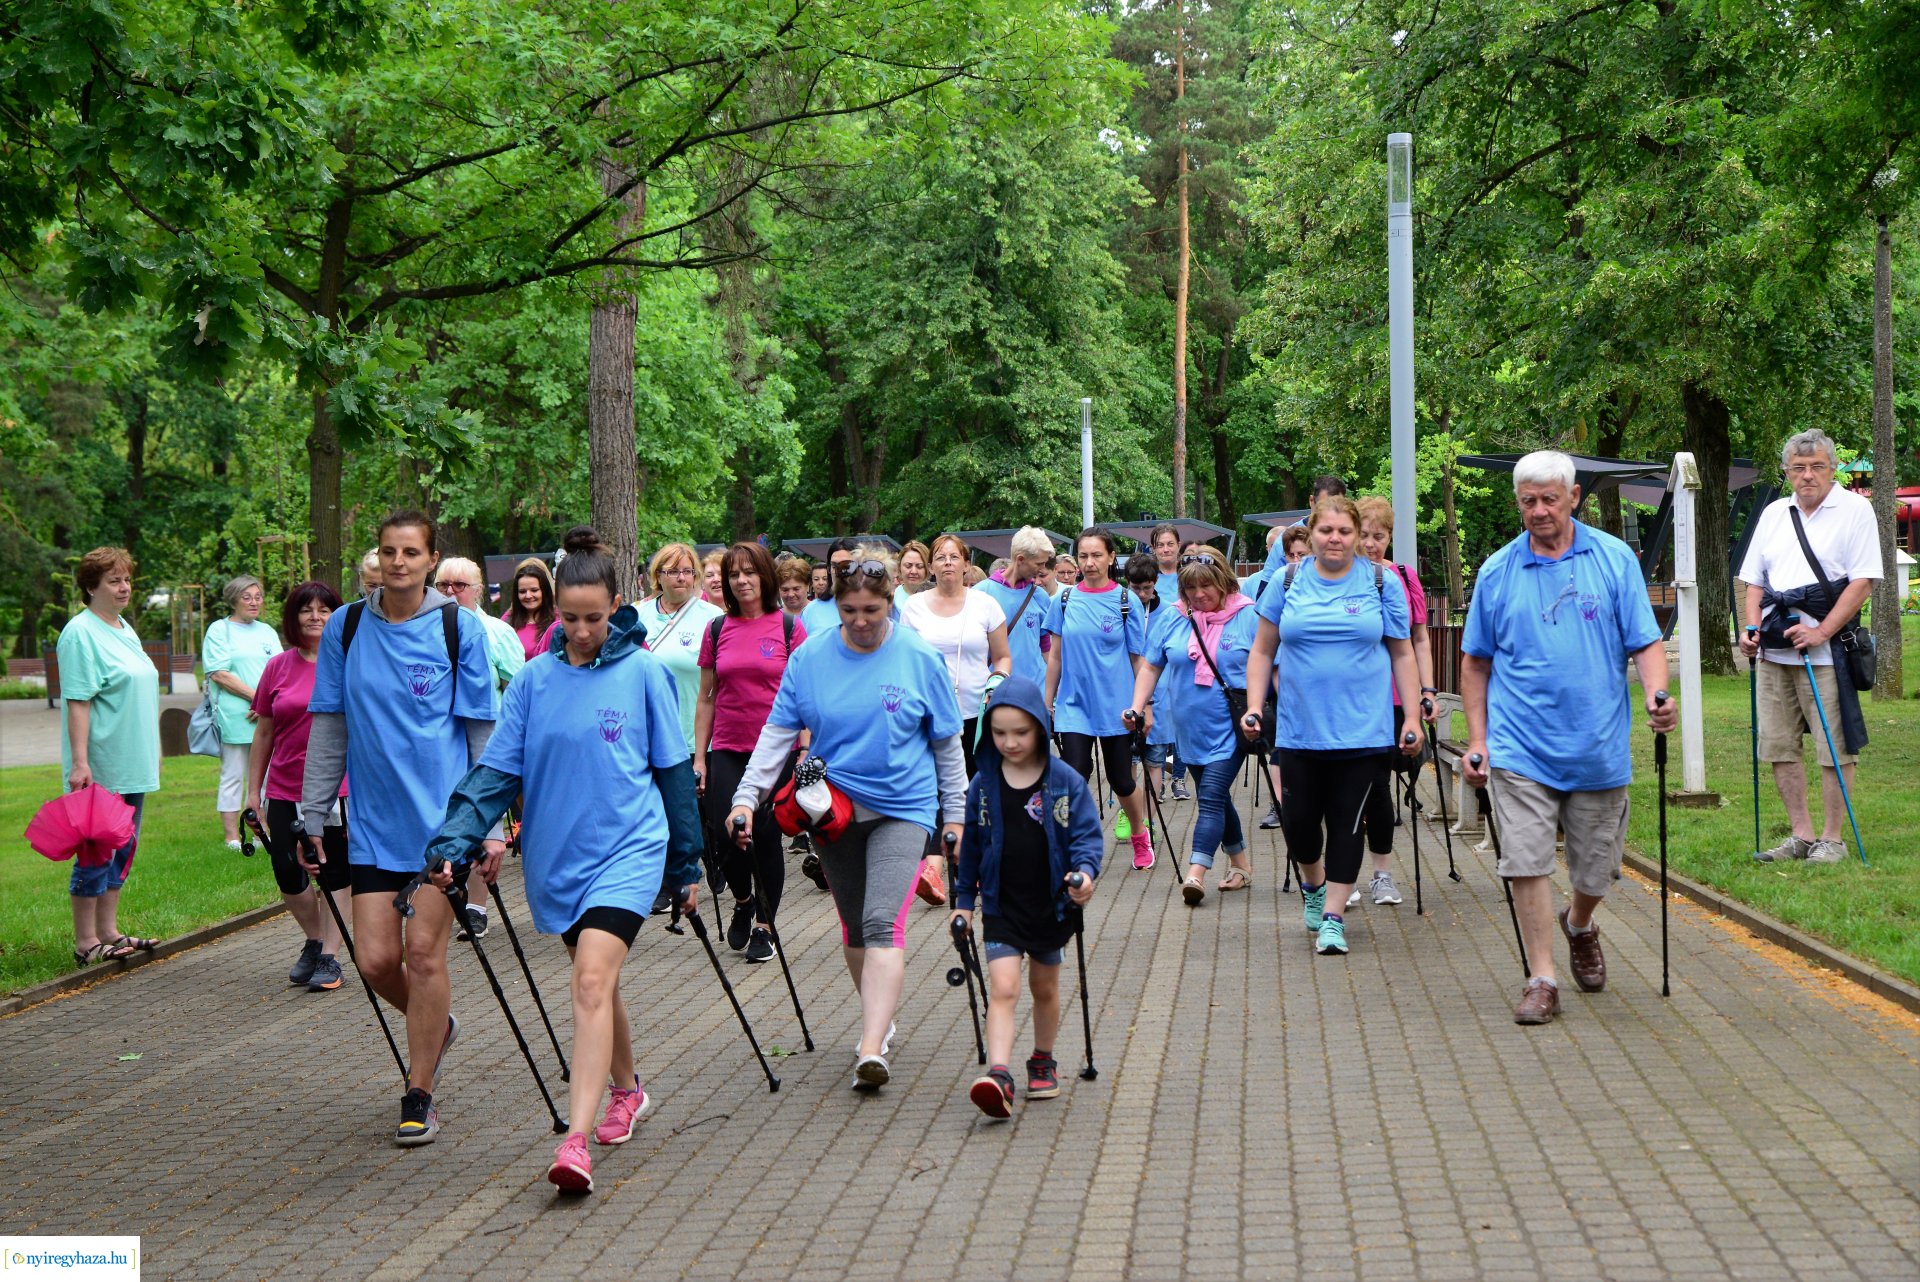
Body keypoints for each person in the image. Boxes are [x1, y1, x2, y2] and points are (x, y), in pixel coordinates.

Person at [425, 525, 703, 1193]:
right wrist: (455, 837)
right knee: (596, 981)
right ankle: (628, 1088)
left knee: (587, 983)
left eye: (595, 618)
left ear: (617, 606)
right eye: (571, 618)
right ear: (554, 609)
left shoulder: (644, 674)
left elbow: (670, 774)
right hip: (560, 857)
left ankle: (574, 1142)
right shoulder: (532, 681)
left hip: (630, 850)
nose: (583, 631)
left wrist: (687, 863)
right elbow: (497, 772)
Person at [727, 546, 967, 1090]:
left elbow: (948, 746)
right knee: (855, 928)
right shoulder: (809, 659)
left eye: (871, 612)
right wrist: (746, 799)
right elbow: (776, 735)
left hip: (902, 806)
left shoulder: (918, 658)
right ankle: (880, 1021)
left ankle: (869, 1044)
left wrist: (956, 817)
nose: (860, 622)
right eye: (849, 612)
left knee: (883, 922)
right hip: (831, 809)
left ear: (890, 605)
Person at [300, 509, 500, 1145]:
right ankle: (434, 1025)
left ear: (430, 560)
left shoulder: (457, 629)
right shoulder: (347, 627)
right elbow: (329, 724)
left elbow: (479, 735)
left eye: (410, 552)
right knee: (378, 961)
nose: (397, 562)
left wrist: (488, 825)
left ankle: (419, 1094)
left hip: (444, 829)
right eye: (388, 551)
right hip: (374, 829)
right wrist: (312, 812)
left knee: (423, 953)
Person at [1459, 450, 1675, 1023]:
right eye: (1527, 501)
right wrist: (1477, 739)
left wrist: (1658, 695)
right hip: (1520, 746)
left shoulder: (1613, 558)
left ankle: (1579, 922)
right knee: (1527, 863)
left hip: (1596, 745)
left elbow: (1645, 642)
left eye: (1549, 499)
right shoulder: (1497, 572)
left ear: (1573, 498)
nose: (1538, 511)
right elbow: (1475, 662)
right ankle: (1542, 977)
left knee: (1596, 869)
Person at [1242, 497, 1424, 957]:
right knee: (1300, 823)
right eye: (1327, 531)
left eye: (1345, 531)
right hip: (1300, 729)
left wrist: (1414, 717)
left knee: (1347, 825)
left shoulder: (1381, 583)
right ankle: (1314, 884)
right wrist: (1254, 706)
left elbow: (1403, 652)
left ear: (1357, 533)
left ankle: (1333, 918)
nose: (1336, 538)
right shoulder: (1287, 581)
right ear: (1313, 533)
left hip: (1363, 731)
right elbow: (1262, 650)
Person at [954, 677, 1102, 1118]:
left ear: (1039, 726)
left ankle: (1043, 1058)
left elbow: (1087, 838)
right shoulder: (982, 783)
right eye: (999, 733)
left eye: (1020, 732)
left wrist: (1085, 875)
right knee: (1004, 987)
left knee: (1044, 986)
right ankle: (998, 1075)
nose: (1009, 742)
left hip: (1050, 903)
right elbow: (972, 849)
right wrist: (963, 902)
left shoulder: (1065, 780)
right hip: (1000, 904)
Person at [1738, 428, 1881, 864]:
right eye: (1798, 468)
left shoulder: (1855, 510)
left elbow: (1863, 582)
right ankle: (1800, 836)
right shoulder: (1774, 514)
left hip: (1827, 651)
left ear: (1832, 468)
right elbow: (1753, 581)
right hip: (1774, 650)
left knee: (1833, 747)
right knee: (1779, 744)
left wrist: (1821, 632)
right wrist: (1749, 628)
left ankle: (1832, 839)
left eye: (1817, 466)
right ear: (1786, 472)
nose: (1808, 475)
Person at [695, 542, 808, 963]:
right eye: (734, 574)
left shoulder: (789, 628)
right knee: (726, 833)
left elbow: (806, 695)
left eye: (750, 572)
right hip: (727, 747)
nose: (742, 581)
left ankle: (765, 924)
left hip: (777, 752)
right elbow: (706, 697)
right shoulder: (717, 630)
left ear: (765, 577)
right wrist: (700, 757)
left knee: (764, 835)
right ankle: (743, 899)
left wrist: (804, 750)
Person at [1131, 548, 1259, 903]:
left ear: (1223, 581)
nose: (1198, 595)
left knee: (1211, 799)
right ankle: (1241, 865)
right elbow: (1151, 665)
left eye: (1206, 586)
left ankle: (1196, 872)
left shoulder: (1247, 617)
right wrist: (1137, 706)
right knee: (1217, 800)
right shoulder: (1174, 617)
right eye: (1190, 589)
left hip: (1231, 729)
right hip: (1188, 730)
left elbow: (1269, 667)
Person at [245, 581, 351, 992]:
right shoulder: (278, 666)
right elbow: (264, 733)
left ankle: (331, 955)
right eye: (307, 609)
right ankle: (315, 938)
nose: (315, 616)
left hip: (337, 788)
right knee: (288, 872)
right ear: (293, 616)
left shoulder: (346, 662)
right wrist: (254, 794)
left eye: (325, 609)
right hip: (286, 788)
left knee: (335, 870)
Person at [58, 547, 162, 966]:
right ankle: (86, 941)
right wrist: (81, 763)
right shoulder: (80, 633)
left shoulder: (123, 628)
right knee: (96, 851)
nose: (124, 588)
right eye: (114, 581)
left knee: (123, 847)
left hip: (132, 760)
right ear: (91, 586)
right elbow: (78, 702)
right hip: (102, 763)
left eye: (126, 580)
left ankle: (110, 931)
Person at [1043, 527, 1154, 870]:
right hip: (1075, 706)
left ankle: (1139, 834)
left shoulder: (1126, 601)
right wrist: (1046, 703)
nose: (1089, 563)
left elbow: (1139, 659)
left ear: (1110, 558)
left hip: (1117, 707)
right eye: (1083, 556)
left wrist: (1144, 706)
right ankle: (1077, 845)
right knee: (1074, 774)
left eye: (1096, 555)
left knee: (1122, 780)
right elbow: (1056, 657)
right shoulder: (1063, 600)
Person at [1350, 497, 1438, 909]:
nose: (1370, 544)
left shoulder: (1402, 576)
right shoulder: (1333, 576)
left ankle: (1381, 874)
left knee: (1378, 785)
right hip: (1344, 699)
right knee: (1341, 789)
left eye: (1378, 536)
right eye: (1363, 535)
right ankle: (1341, 873)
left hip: (1389, 698)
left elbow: (1418, 640)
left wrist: (1426, 693)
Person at [435, 556, 528, 938]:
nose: (451, 592)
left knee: (481, 816)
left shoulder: (495, 632)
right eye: (443, 585)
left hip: (487, 743)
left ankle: (476, 907)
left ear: (478, 591)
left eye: (460, 585)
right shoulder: (424, 630)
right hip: (440, 744)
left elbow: (519, 686)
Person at [901, 534, 1012, 776]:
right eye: (940, 557)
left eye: (954, 557)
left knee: (977, 783)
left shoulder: (986, 604)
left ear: (966, 565)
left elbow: (1003, 656)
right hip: (930, 713)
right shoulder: (913, 606)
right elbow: (904, 661)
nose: (948, 562)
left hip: (977, 712)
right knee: (936, 786)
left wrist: (997, 684)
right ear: (931, 567)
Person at [204, 575, 282, 851]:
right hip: (237, 714)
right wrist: (255, 698)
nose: (253, 602)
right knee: (234, 773)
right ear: (233, 599)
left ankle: (263, 831)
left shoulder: (267, 632)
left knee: (266, 774)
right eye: (247, 597)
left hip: (266, 714)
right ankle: (231, 837)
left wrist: (266, 702)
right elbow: (219, 674)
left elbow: (281, 669)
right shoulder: (219, 630)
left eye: (258, 596)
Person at [637, 543, 725, 755]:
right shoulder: (637, 616)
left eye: (687, 571)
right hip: (648, 737)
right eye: (673, 571)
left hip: (696, 741)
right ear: (658, 576)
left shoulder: (713, 618)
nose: (681, 578)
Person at [1124, 556, 1178, 802]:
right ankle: (1130, 813)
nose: (1142, 594)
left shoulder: (1168, 611)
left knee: (1155, 762)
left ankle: (1150, 820)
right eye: (1136, 588)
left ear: (1156, 582)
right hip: (1127, 693)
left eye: (1147, 588)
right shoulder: (1121, 606)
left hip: (1160, 696)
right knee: (1129, 761)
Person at [976, 526, 1056, 689]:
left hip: (1034, 692)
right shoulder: (981, 593)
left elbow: (1046, 647)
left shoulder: (1040, 596)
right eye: (1039, 563)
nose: (1042, 569)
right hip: (995, 691)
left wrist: (1054, 689)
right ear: (1020, 560)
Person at [799, 536, 859, 637]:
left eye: (846, 566)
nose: (839, 571)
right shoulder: (811, 611)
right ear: (828, 569)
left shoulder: (874, 608)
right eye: (834, 566)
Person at [505, 557, 557, 662]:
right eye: (522, 591)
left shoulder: (560, 619)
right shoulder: (508, 620)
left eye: (534, 590)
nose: (528, 595)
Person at [896, 540, 933, 605]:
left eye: (920, 566)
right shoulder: (891, 596)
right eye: (908, 566)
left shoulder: (937, 596)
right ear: (899, 567)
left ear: (928, 568)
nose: (913, 571)